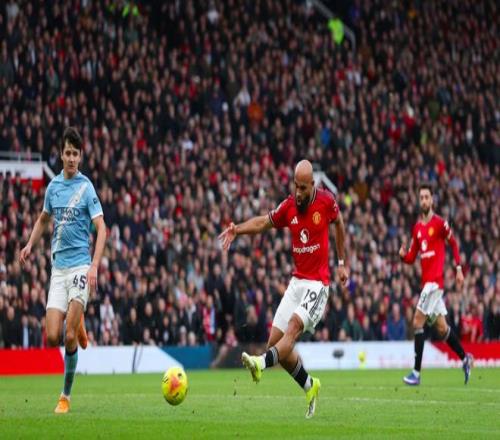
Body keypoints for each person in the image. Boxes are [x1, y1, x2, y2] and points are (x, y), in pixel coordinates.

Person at [219, 159, 348, 418]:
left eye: (303, 188)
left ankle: (260, 362)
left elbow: (339, 223)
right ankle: (310, 385)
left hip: (318, 285)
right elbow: (263, 223)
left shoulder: (326, 201)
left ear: (312, 184)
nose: (298, 192)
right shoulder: (289, 206)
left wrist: (342, 263)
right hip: (297, 282)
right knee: (276, 344)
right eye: (295, 186)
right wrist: (237, 230)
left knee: (293, 328)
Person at [20, 127, 107, 413]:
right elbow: (43, 219)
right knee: (52, 336)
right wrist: (29, 244)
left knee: (69, 337)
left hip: (80, 266)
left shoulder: (86, 188)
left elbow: (102, 228)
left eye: (75, 154)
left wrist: (94, 265)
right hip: (58, 270)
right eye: (67, 153)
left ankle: (65, 396)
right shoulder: (54, 187)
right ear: (61, 155)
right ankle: (77, 321)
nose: (71, 158)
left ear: (80, 157)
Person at [399, 183, 472, 385]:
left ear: (432, 200)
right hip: (426, 284)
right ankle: (465, 359)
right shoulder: (417, 229)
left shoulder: (440, 224)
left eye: (427, 197)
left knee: (417, 322)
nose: (424, 200)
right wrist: (403, 256)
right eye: (421, 197)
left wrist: (458, 269)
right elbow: (412, 257)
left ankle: (416, 373)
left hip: (435, 283)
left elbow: (454, 243)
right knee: (441, 328)